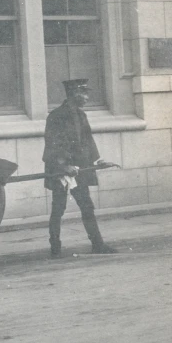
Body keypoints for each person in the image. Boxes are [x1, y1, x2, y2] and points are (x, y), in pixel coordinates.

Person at [43, 78, 117, 258]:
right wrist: (64, 165)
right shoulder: (56, 116)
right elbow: (52, 143)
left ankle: (98, 244)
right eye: (84, 93)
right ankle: (55, 248)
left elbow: (88, 141)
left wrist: (98, 160)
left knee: (87, 206)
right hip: (61, 170)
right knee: (58, 208)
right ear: (74, 94)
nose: (86, 97)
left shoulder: (82, 115)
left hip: (80, 169)